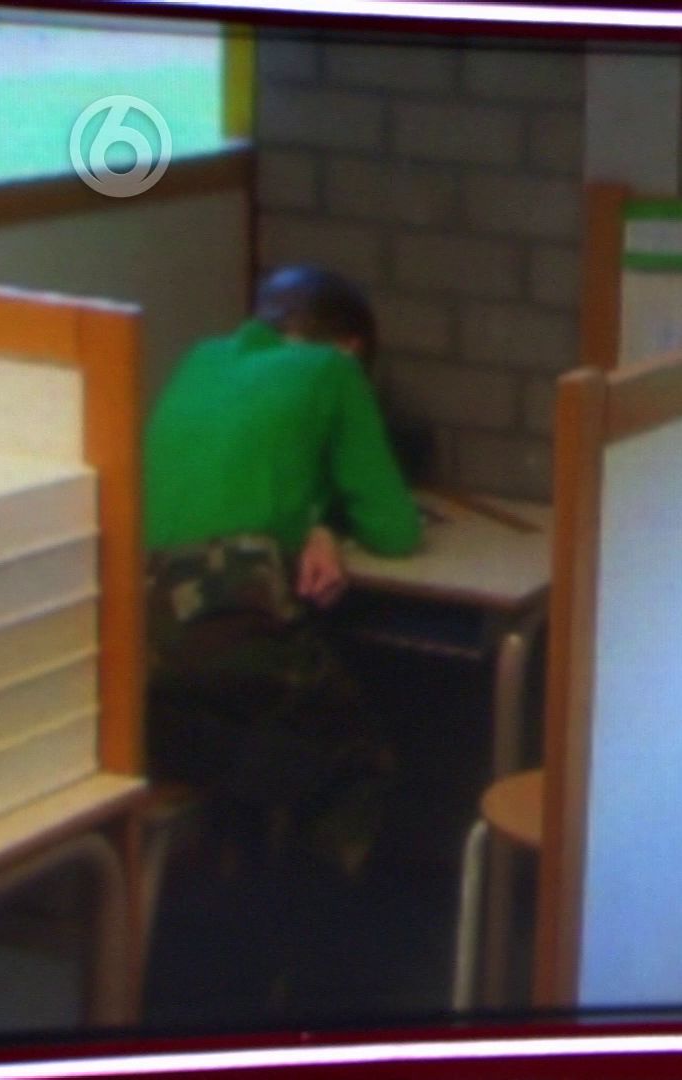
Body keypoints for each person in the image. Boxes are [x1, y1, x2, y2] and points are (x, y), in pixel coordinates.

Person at [141, 265, 421, 1015]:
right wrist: (333, 522)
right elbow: (395, 528)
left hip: (135, 642)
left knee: (259, 759)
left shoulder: (203, 359)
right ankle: (311, 990)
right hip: (230, 612)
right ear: (353, 345)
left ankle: (224, 963)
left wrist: (313, 522)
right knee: (359, 763)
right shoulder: (334, 370)